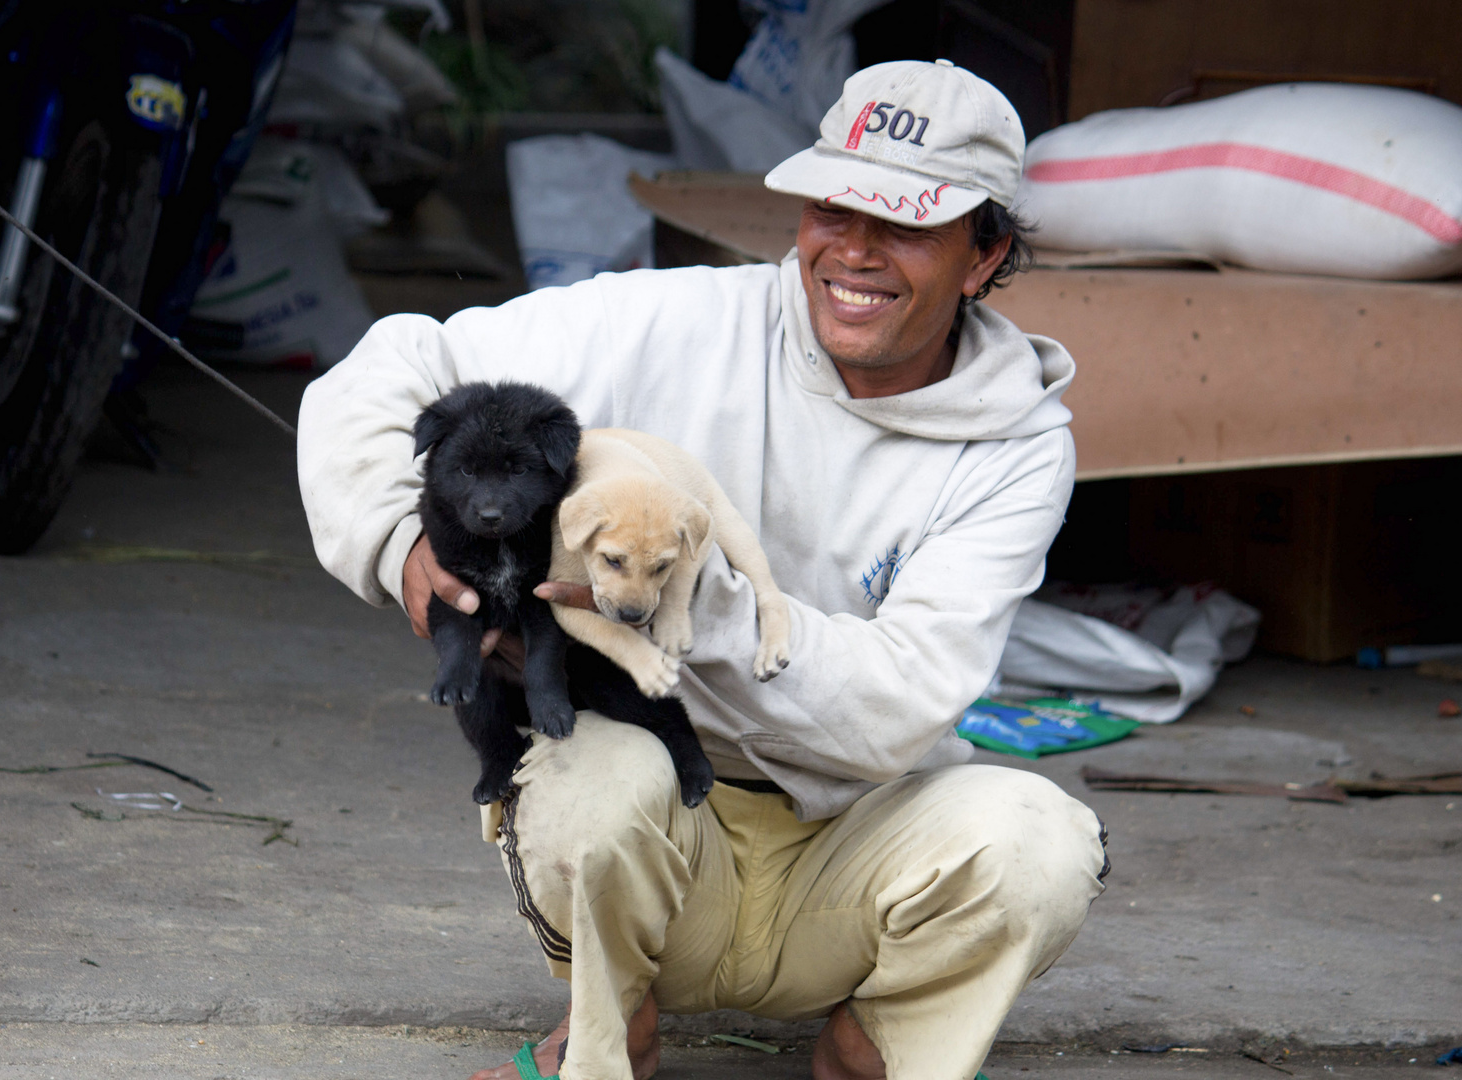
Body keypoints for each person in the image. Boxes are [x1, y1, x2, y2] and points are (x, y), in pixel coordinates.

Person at [298, 59, 1108, 1080]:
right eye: (832, 209)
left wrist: (692, 598)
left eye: (903, 225)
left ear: (984, 256)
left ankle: (879, 1047)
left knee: (1040, 843)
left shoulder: (1016, 443)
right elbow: (386, 371)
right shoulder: (677, 322)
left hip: (856, 837)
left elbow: (899, 705)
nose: (852, 252)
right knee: (584, 783)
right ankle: (608, 1022)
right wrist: (395, 539)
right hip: (660, 819)